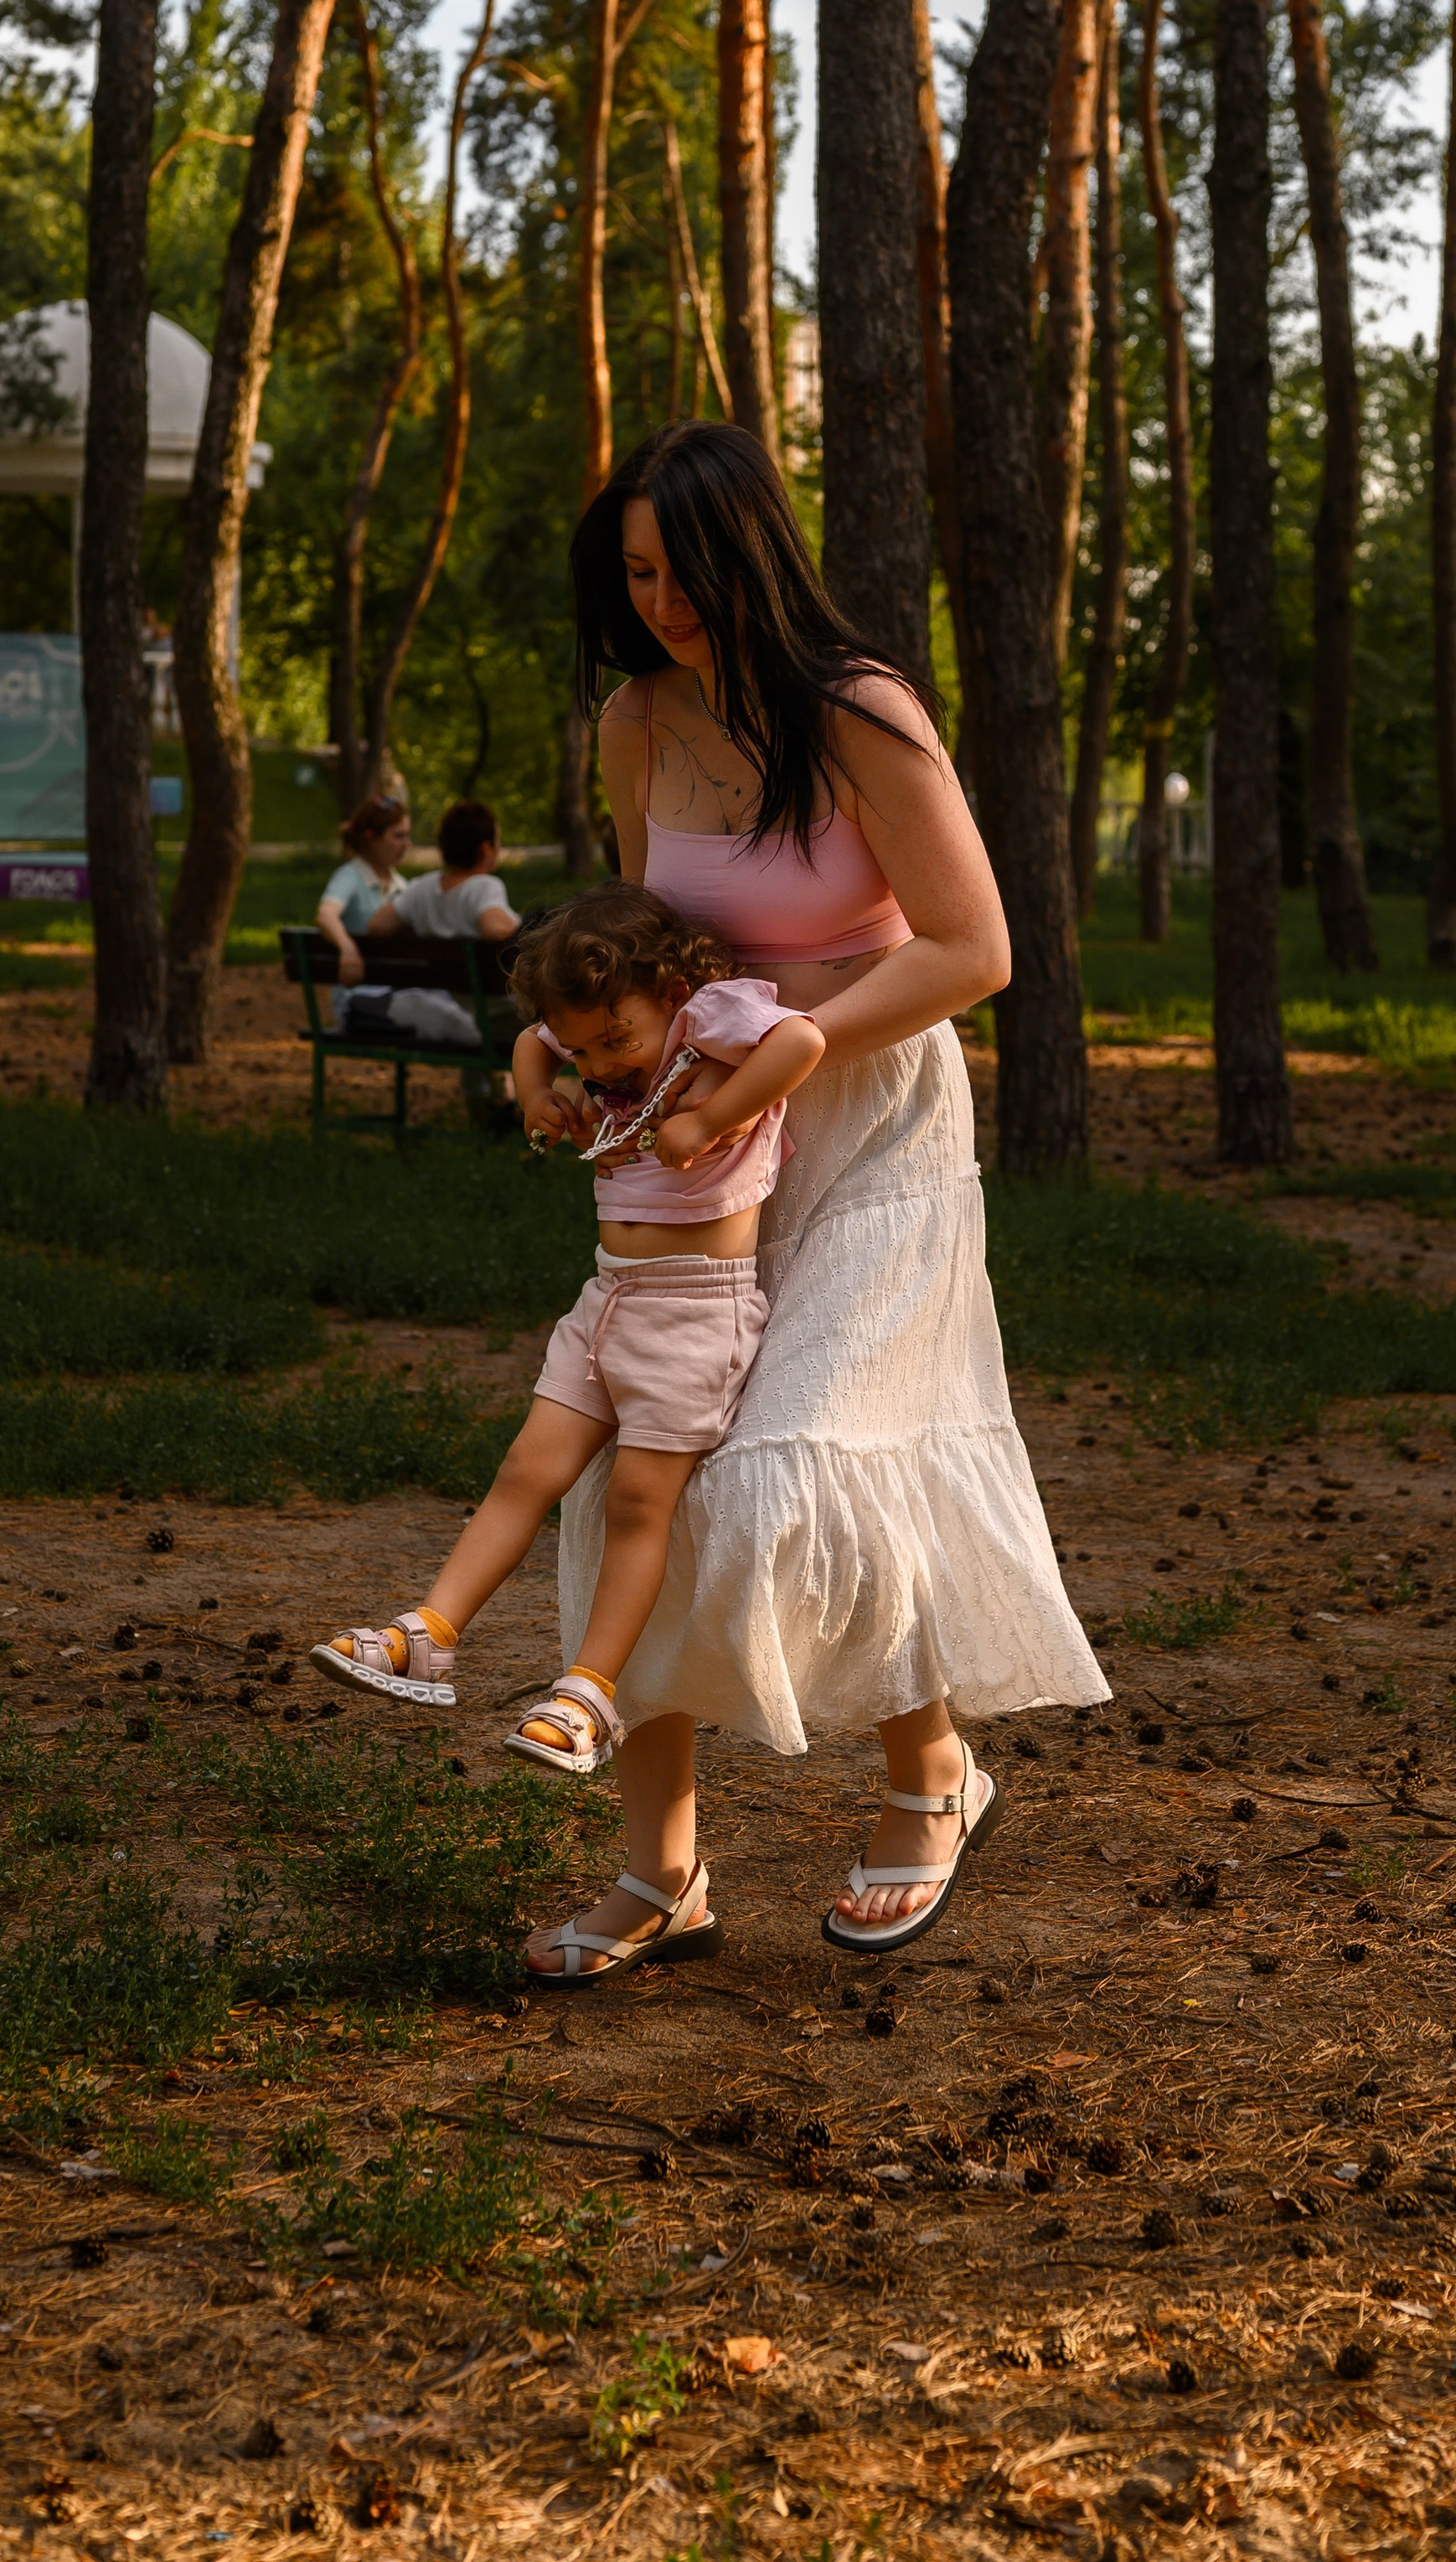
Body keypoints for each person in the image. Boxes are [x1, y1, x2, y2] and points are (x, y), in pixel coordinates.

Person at [512, 424, 1106, 1985]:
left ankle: (933, 1774)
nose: (662, 602)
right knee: (644, 1462)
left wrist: (792, 1051)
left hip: (872, 1116)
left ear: (751, 553)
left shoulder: (855, 712)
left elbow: (975, 948)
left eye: (687, 570)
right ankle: (662, 1870)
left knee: (817, 1454)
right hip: (700, 1137)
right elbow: (641, 943)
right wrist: (564, 1050)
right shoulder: (636, 722)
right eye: (636, 574)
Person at [308, 884, 824, 1894]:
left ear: (665, 986)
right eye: (586, 1052)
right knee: (525, 1469)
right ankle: (429, 1634)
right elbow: (532, 1045)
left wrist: (714, 1114)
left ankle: (587, 1695)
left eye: (611, 1042)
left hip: (696, 1310)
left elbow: (801, 1042)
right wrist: (533, 1089)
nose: (599, 1065)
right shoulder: (589, 1031)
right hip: (608, 1297)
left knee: (640, 1503)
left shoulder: (709, 1013)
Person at [347, 798, 521, 1059]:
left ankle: (482, 1095)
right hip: (502, 1011)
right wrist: (519, 923)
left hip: (457, 1005)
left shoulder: (422, 888)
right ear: (486, 848)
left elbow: (378, 927)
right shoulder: (484, 886)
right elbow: (495, 930)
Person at [316, 796, 411, 1025]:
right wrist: (347, 947)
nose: (406, 844)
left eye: (407, 836)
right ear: (371, 838)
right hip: (356, 1002)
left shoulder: (402, 887)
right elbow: (325, 915)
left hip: (393, 995)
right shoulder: (350, 876)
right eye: (398, 836)